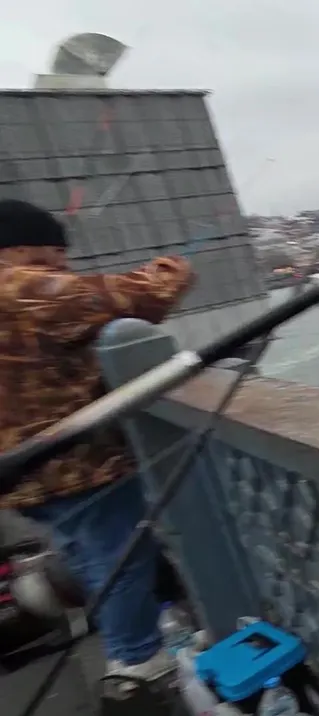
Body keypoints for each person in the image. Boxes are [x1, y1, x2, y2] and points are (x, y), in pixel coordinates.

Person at [0, 198, 195, 682]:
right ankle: (137, 662)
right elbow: (140, 296)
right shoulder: (21, 288)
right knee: (121, 559)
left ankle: (138, 635)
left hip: (23, 472)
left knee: (89, 552)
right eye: (54, 256)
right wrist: (173, 268)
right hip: (74, 464)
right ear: (19, 249)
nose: (62, 267)